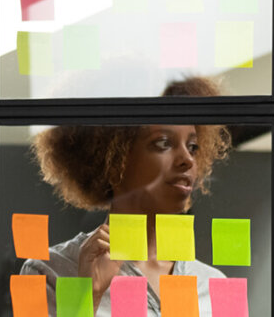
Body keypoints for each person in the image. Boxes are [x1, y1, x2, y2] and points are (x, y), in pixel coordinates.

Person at [22, 76, 231, 316]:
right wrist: (87, 295)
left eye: (193, 146)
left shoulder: (214, 284)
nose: (188, 159)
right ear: (113, 161)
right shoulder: (49, 272)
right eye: (163, 143)